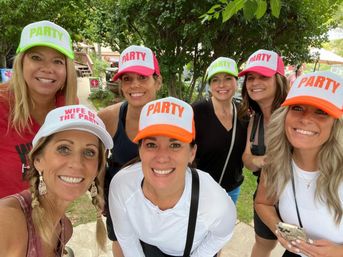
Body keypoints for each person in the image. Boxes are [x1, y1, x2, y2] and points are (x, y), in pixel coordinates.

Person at [108, 97, 236, 257]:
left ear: (192, 152)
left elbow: (221, 234)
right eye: (151, 145)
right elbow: (127, 240)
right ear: (140, 150)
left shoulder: (214, 202)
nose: (162, 157)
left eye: (175, 145)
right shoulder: (122, 186)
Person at [0, 104, 113, 256]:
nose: (77, 164)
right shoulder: (7, 221)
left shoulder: (65, 229)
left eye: (89, 152)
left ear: (97, 168)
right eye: (64, 149)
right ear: (38, 159)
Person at [255, 71, 343, 257]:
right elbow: (263, 203)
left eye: (321, 112)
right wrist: (279, 229)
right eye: (297, 108)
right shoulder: (276, 161)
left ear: (337, 124)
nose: (305, 118)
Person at [0, 20, 78, 198]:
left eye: (57, 61)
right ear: (21, 63)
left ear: (67, 70)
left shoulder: (68, 105)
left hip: (48, 216)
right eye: (36, 57)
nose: (47, 69)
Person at [98, 45, 162, 257]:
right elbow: (96, 158)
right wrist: (98, 190)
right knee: (122, 246)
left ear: (157, 81)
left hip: (159, 201)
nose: (135, 84)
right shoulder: (108, 118)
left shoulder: (172, 117)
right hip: (120, 202)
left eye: (143, 77)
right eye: (127, 78)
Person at [238, 49, 289, 257]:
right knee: (263, 244)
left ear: (278, 80)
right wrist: (263, 160)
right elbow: (247, 160)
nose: (255, 82)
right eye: (251, 77)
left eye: (263, 76)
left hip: (294, 195)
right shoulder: (255, 119)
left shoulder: (292, 115)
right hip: (264, 194)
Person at [192, 57, 248, 204]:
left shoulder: (244, 114)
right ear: (210, 85)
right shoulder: (196, 112)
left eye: (228, 78)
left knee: (225, 227)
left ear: (236, 82)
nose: (221, 84)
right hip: (200, 191)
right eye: (215, 80)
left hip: (231, 191)